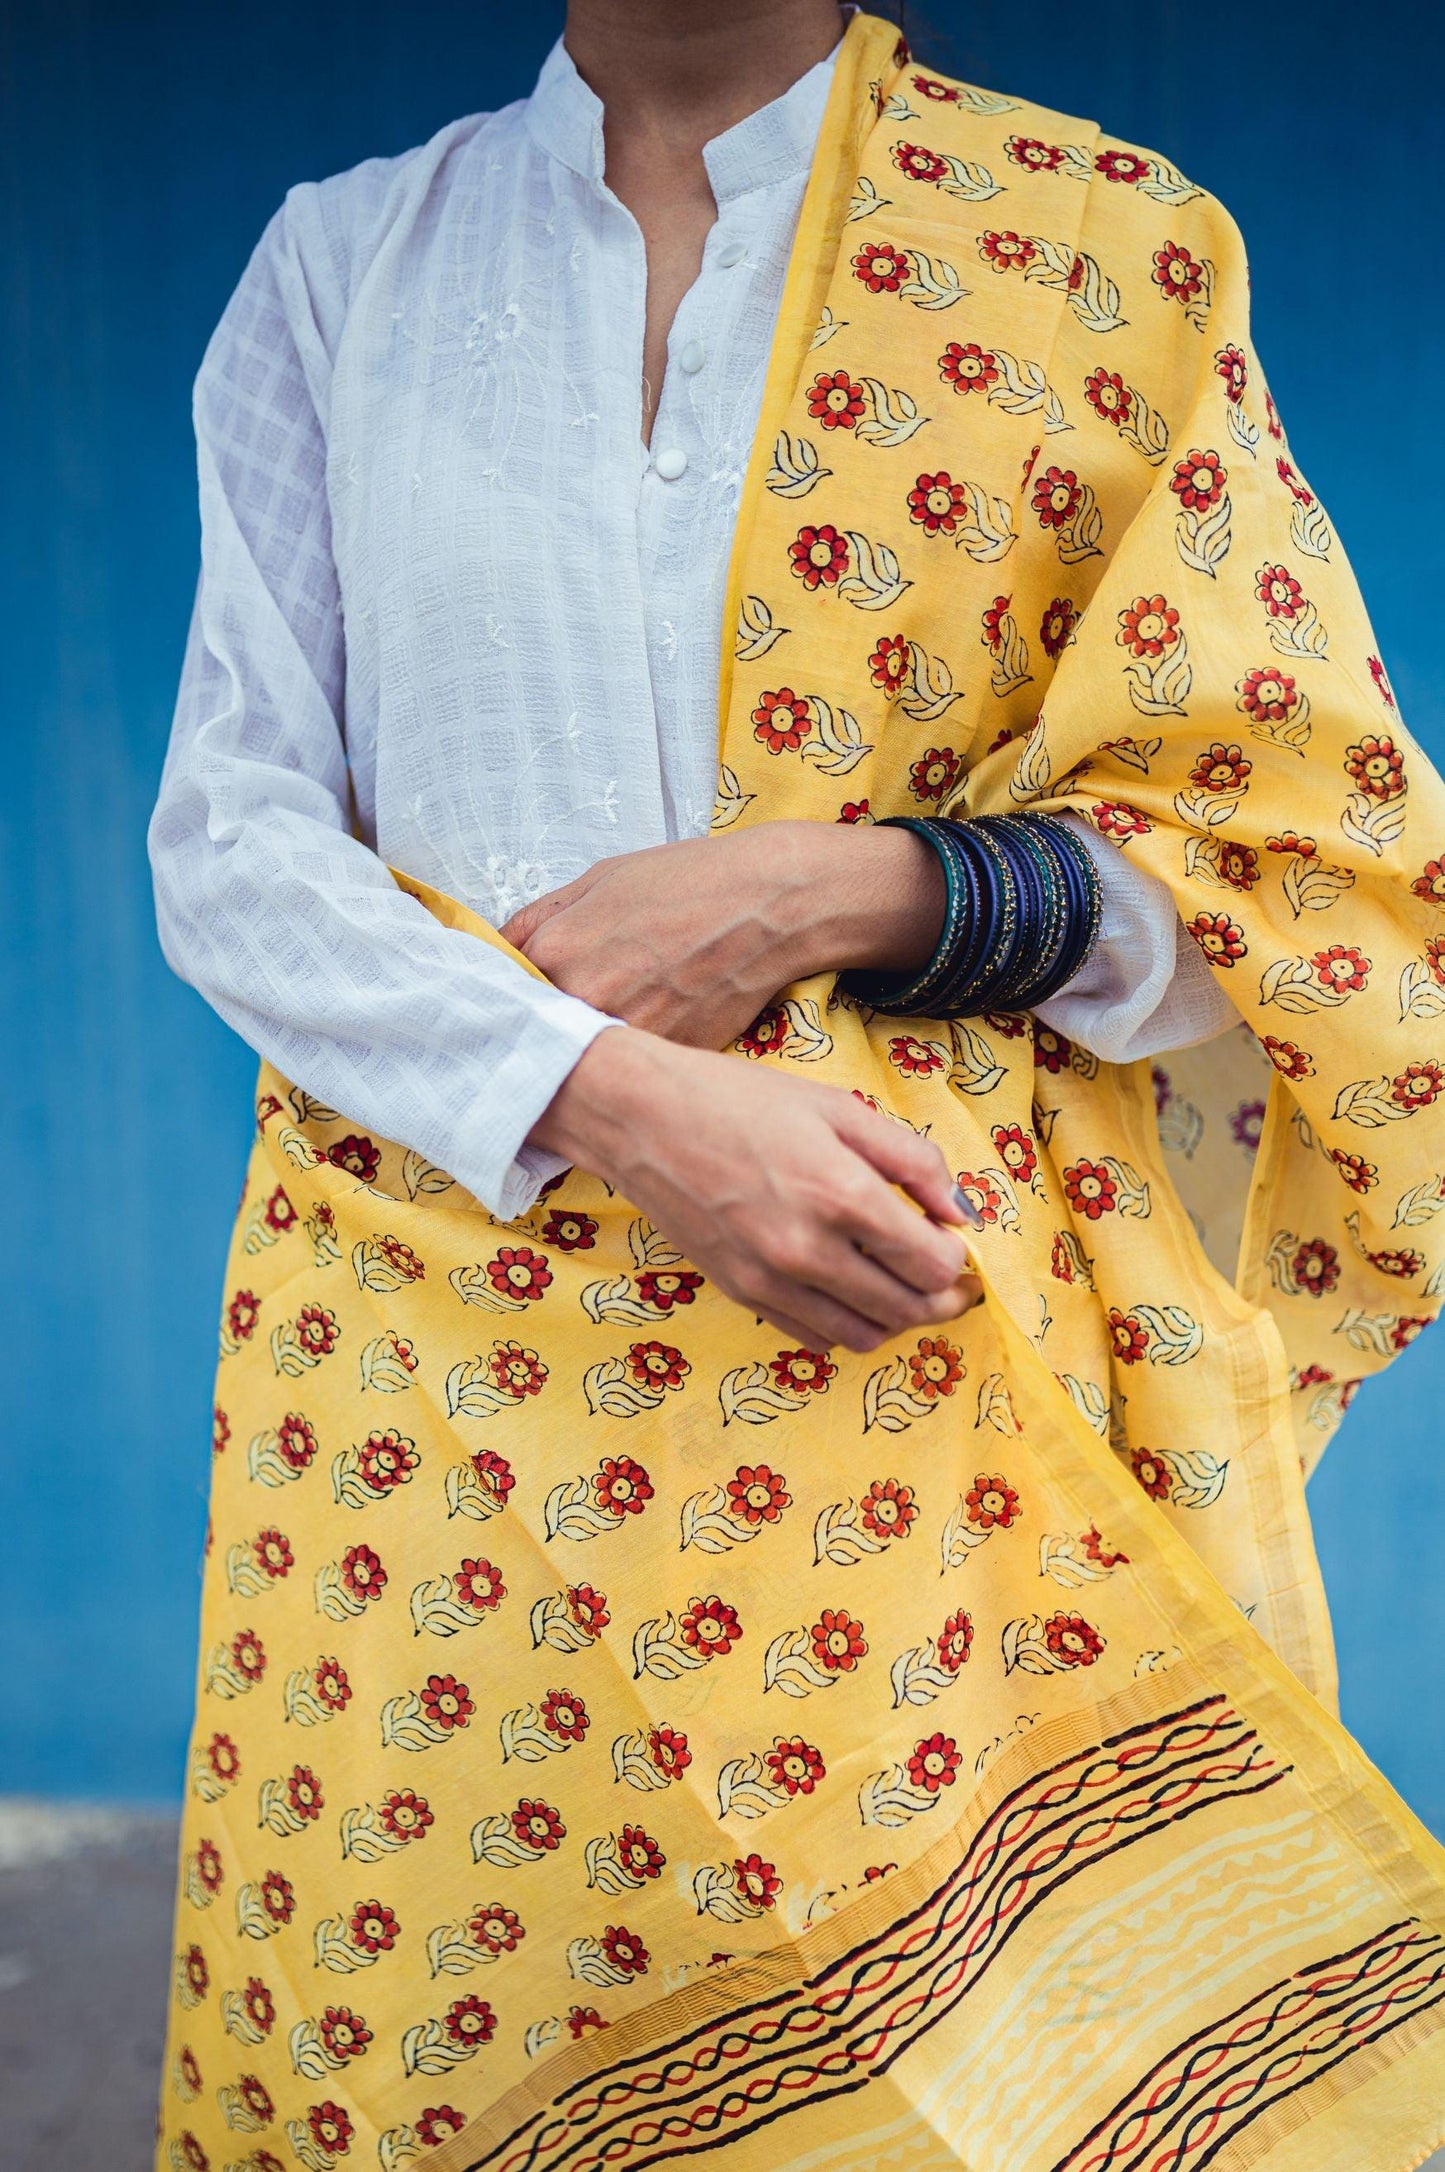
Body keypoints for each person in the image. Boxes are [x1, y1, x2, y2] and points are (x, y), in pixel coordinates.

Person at [151, 7, 1445, 2169]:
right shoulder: (344, 265)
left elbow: (1319, 885)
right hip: (440, 1461)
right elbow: (234, 843)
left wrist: (843, 887)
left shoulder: (1093, 248)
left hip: (926, 1408)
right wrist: (615, 1098)